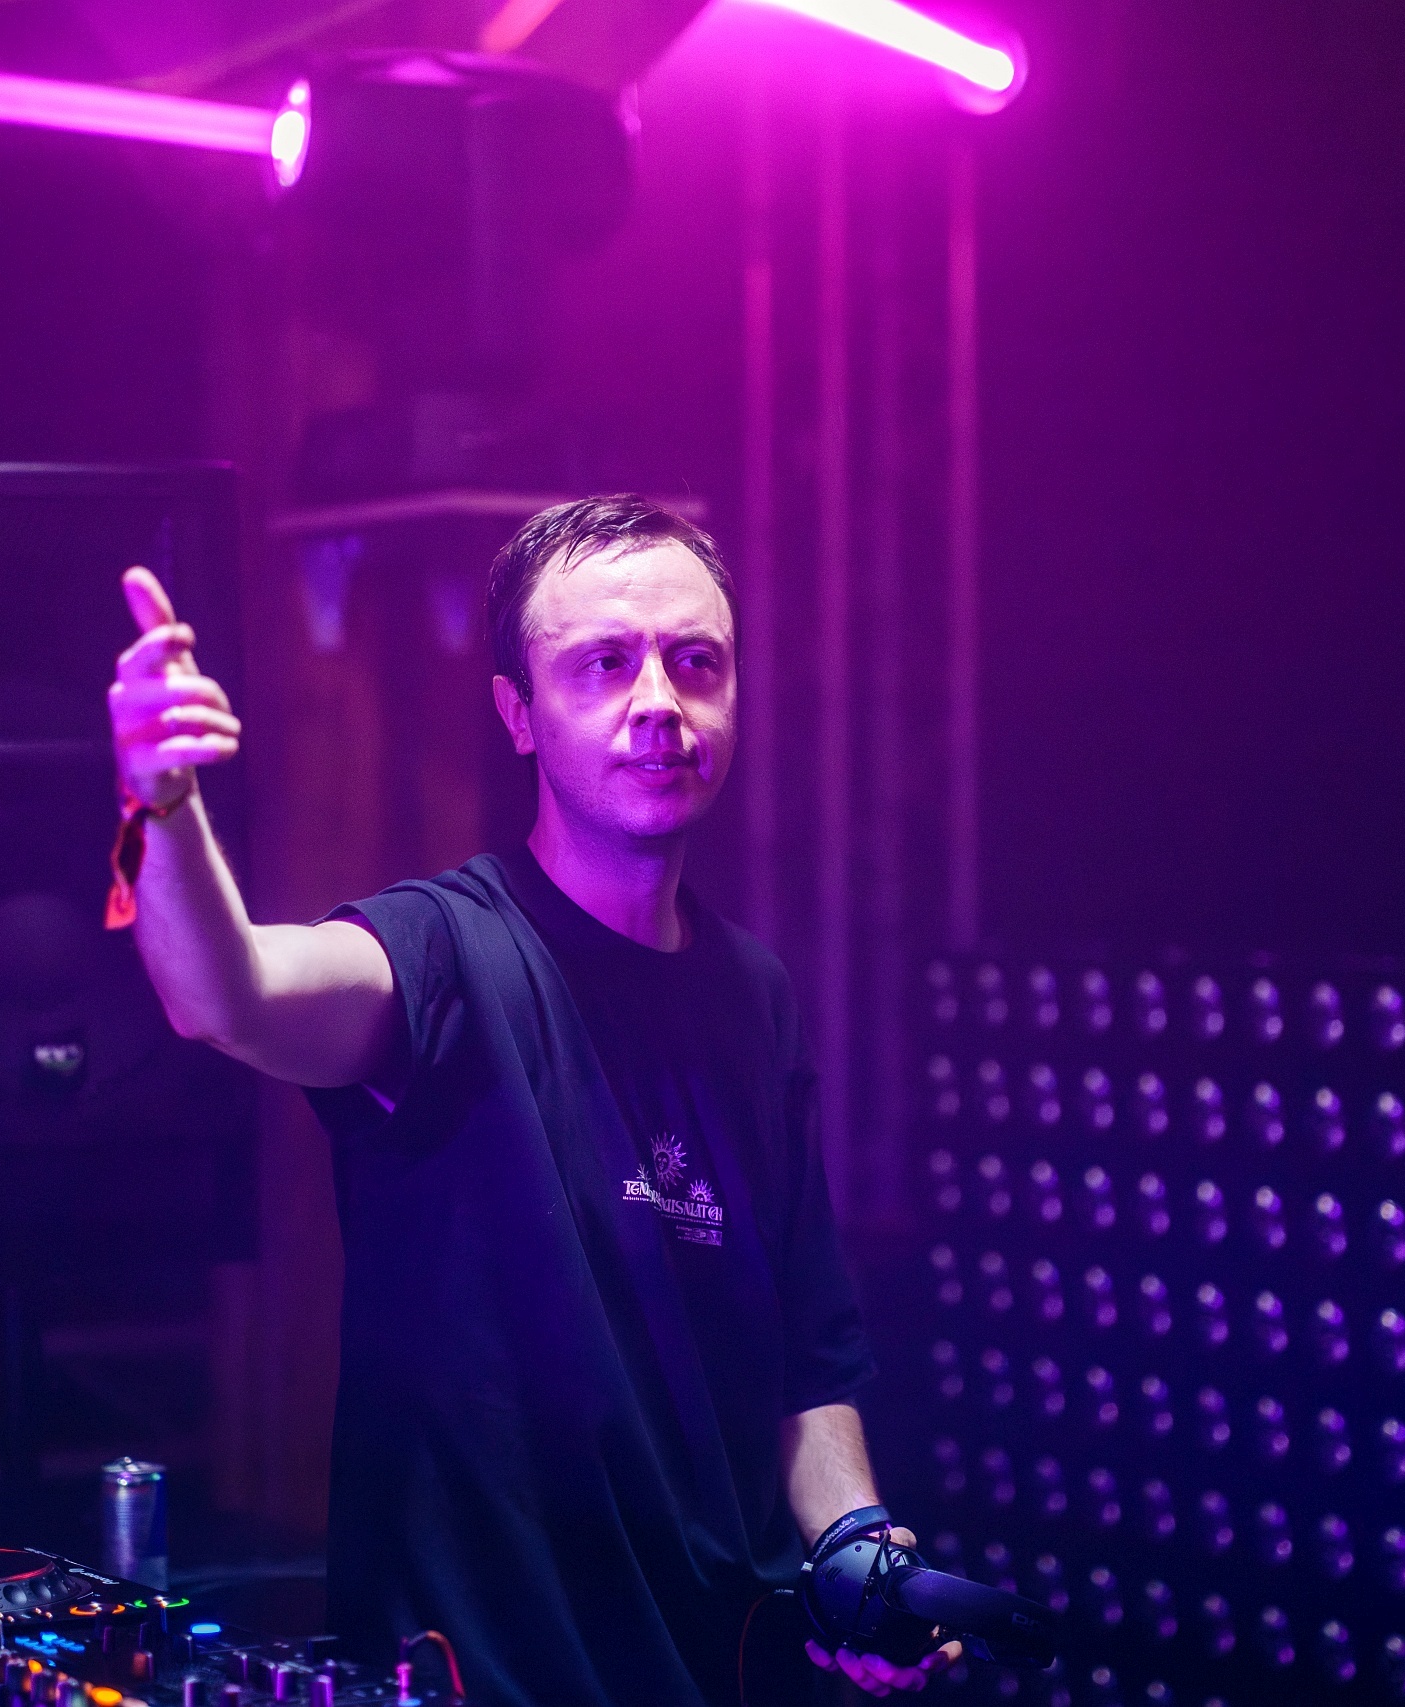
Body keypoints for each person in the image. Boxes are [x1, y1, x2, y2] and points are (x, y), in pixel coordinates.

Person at [105, 495, 953, 1705]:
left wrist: (858, 1558)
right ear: (519, 713)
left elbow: (810, 1366)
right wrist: (160, 800)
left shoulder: (753, 994)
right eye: (603, 664)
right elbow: (225, 994)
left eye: (694, 663)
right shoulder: (444, 951)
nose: (657, 702)